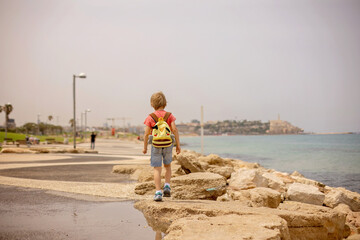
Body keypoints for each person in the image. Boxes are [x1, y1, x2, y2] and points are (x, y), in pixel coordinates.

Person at [143, 91, 181, 202]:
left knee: (157, 169)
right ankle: (167, 186)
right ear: (165, 103)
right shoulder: (170, 116)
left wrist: (145, 147)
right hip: (168, 144)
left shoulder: (150, 117)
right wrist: (178, 145)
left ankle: (158, 192)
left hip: (156, 145)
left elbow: (146, 133)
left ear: (152, 104)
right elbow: (174, 130)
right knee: (168, 166)